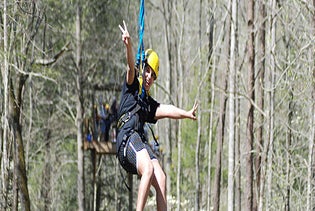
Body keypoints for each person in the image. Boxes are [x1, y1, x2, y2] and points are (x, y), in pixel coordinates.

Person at [117, 21, 198, 211]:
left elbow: (167, 109)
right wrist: (129, 46)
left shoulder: (148, 104)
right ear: (142, 67)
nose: (148, 77)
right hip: (126, 139)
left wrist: (186, 114)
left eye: (152, 75)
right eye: (147, 71)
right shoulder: (131, 88)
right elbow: (130, 68)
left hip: (138, 143)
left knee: (161, 177)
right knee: (149, 168)